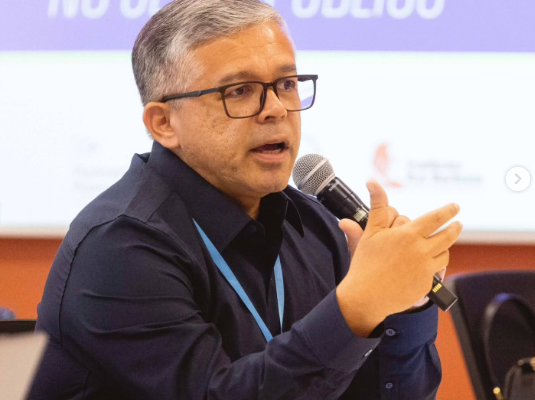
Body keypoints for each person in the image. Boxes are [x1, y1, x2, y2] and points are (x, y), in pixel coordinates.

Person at [30, 1, 462, 399]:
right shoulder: (119, 248)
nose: (276, 109)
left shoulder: (314, 227)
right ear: (164, 123)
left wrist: (404, 302)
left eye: (286, 84)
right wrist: (357, 306)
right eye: (239, 90)